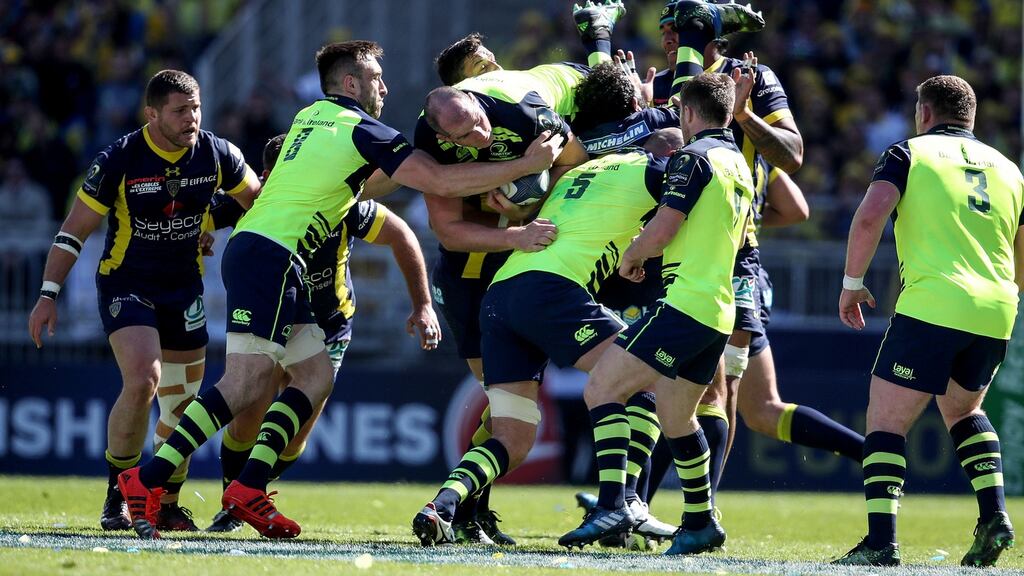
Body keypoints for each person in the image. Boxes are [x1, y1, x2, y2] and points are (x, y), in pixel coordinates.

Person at [115, 40, 563, 540]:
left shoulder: (312, 118)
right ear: (351, 83)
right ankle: (146, 479)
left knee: (314, 375)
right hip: (273, 256)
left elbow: (375, 187)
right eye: (375, 77)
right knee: (244, 385)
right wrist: (525, 166)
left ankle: (248, 488)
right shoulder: (359, 127)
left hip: (265, 253)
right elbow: (432, 178)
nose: (384, 87)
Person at [412, 121, 683, 546]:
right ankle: (621, 502)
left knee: (513, 436)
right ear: (668, 157)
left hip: (500, 295)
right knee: (648, 377)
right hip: (552, 290)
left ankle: (444, 505)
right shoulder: (657, 171)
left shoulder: (577, 172)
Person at [27, 69, 261, 534]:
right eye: (179, 111)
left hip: (184, 288)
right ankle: (118, 495)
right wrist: (47, 294)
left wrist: (209, 223)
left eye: (196, 108)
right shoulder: (119, 159)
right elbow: (73, 231)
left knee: (181, 405)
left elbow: (255, 198)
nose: (191, 118)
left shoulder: (218, 153)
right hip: (126, 283)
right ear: (151, 114)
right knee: (143, 379)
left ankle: (164, 502)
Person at [558, 72, 752, 556]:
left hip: (684, 304)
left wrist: (634, 255)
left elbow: (665, 226)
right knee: (676, 416)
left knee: (602, 387)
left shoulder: (693, 158)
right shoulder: (738, 163)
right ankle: (701, 521)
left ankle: (613, 506)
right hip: (717, 311)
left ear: (687, 112)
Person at [206, 134, 440, 532]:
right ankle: (235, 500)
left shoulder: (343, 205)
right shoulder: (256, 198)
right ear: (267, 175)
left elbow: (401, 234)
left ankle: (252, 486)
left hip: (329, 324)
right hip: (272, 316)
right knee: (247, 417)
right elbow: (196, 217)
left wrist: (423, 304)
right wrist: (199, 232)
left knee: (293, 442)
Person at [833, 75, 1022, 567]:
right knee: (962, 411)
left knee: (886, 420)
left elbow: (871, 216)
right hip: (997, 308)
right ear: (971, 117)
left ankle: (881, 541)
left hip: (933, 302)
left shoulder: (908, 153)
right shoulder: (1009, 169)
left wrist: (852, 283)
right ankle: (994, 516)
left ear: (924, 113)